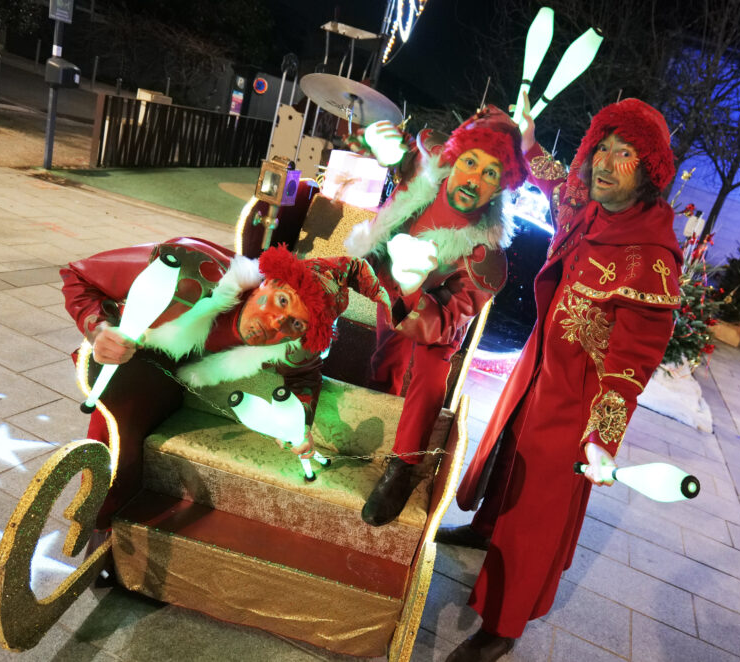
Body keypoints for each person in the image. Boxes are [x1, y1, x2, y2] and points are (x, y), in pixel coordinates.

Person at [438, 97, 683, 661]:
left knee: (537, 510)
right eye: (603, 147)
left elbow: (631, 366)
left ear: (649, 170)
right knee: (507, 457)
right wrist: (526, 140)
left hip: (576, 403)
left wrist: (601, 439)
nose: (605, 162)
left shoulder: (651, 259)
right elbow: (554, 180)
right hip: (539, 367)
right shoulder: (588, 204)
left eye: (624, 154)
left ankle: (501, 627)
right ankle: (484, 529)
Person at [61, 237, 390, 529]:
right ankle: (99, 525)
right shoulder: (189, 269)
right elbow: (78, 276)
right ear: (267, 282)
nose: (277, 323)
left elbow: (305, 376)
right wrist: (99, 329)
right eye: (282, 300)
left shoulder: (293, 347)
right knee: (117, 443)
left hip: (179, 378)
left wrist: (297, 423)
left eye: (295, 324)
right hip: (134, 354)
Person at [344, 106, 529, 526]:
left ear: (500, 187)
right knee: (385, 358)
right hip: (390, 287)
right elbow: (399, 154)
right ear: (455, 157)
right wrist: (374, 142)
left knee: (430, 376)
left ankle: (404, 466)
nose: (474, 179)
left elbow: (446, 322)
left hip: (436, 317)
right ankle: (373, 415)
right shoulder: (427, 168)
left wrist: (414, 285)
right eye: (470, 162)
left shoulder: (486, 258)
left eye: (491, 173)